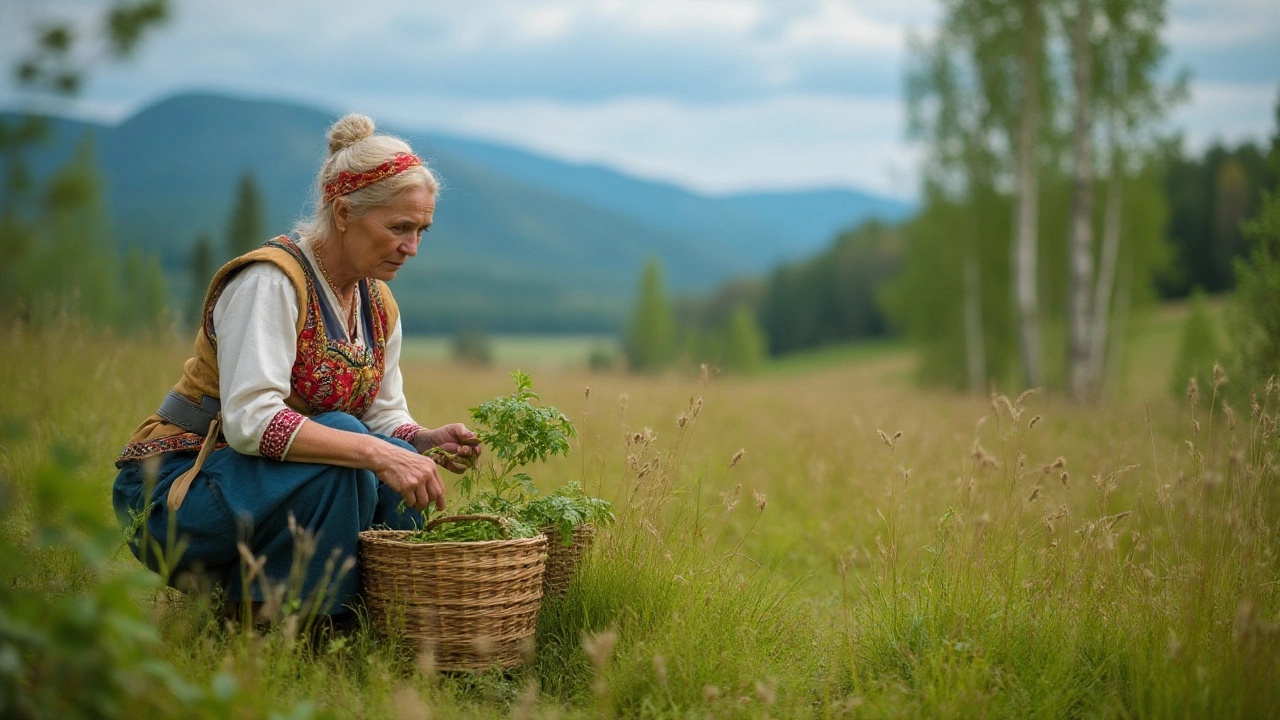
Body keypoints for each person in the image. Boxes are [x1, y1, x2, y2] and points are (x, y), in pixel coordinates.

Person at [112, 114, 480, 618]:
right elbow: (250, 422)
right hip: (181, 493)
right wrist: (375, 451)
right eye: (399, 227)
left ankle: (382, 615)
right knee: (349, 447)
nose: (412, 247)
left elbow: (385, 418)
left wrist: (420, 441)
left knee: (388, 459)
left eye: (421, 230)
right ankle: (290, 622)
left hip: (255, 489)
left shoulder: (378, 305)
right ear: (343, 211)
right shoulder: (270, 281)